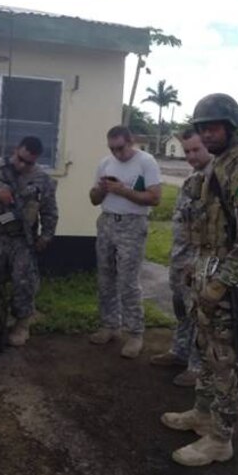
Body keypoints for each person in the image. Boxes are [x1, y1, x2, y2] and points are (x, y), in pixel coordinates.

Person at [161, 94, 238, 466]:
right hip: (207, 273)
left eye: (213, 127)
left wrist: (219, 284)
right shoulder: (219, 166)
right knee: (207, 352)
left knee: (225, 358)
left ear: (230, 126)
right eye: (201, 128)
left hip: (229, 281)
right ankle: (203, 414)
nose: (206, 134)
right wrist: (198, 272)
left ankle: (220, 439)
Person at [0, 136, 58, 347]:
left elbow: (49, 210)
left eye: (29, 162)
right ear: (16, 149)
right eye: (20, 159)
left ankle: (22, 324)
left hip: (23, 239)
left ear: (36, 159)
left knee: (23, 282)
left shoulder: (42, 180)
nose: (22, 165)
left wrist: (46, 236)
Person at [88, 125, 162, 358]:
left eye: (120, 148)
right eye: (112, 149)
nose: (117, 153)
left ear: (131, 141)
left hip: (132, 224)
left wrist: (122, 190)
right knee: (105, 278)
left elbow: (154, 198)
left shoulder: (146, 162)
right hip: (107, 221)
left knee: (128, 282)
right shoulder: (105, 163)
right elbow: (92, 199)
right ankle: (109, 325)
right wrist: (101, 190)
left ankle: (135, 333)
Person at [149, 127, 210, 385]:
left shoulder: (216, 182)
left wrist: (196, 263)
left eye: (196, 149)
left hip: (200, 262)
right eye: (187, 151)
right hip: (181, 258)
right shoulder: (191, 180)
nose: (191, 155)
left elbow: (213, 230)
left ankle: (197, 367)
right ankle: (179, 351)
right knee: (182, 309)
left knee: (199, 313)